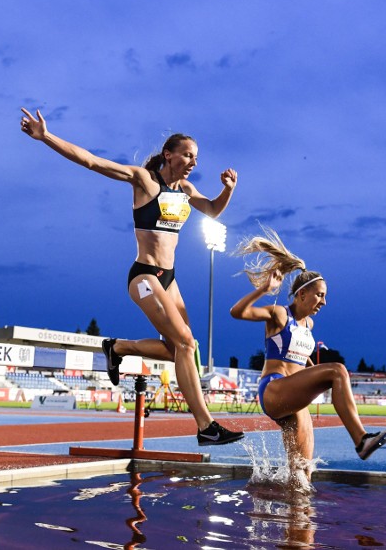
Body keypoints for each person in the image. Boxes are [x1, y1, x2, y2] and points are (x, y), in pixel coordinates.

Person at [20, 108, 243, 446]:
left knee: (181, 348)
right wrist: (46, 136)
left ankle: (118, 347)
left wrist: (228, 190)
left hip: (169, 277)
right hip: (143, 275)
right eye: (187, 154)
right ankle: (205, 426)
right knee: (185, 342)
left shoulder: (185, 189)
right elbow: (92, 162)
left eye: (196, 156)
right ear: (169, 154)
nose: (193, 161)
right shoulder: (144, 180)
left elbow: (212, 210)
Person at [230, 226, 386, 482]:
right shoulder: (280, 314)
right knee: (337, 370)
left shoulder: (309, 326)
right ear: (301, 294)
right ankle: (361, 440)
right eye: (320, 295)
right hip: (274, 390)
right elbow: (236, 312)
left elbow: (300, 359)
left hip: (294, 399)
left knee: (303, 471)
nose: (324, 302)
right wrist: (264, 289)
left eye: (325, 296)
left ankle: (295, 518)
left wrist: (310, 371)